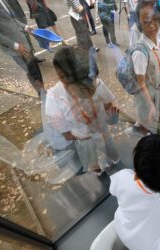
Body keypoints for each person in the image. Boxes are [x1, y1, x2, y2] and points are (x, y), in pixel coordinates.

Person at [45, 46, 121, 175]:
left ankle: (116, 162)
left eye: (92, 80)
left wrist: (112, 117)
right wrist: (88, 136)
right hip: (85, 141)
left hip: (104, 131)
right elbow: (66, 134)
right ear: (62, 77)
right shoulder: (54, 99)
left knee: (111, 151)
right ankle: (99, 172)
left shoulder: (95, 82)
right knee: (93, 161)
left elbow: (108, 104)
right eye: (85, 85)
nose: (92, 88)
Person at [0, 0, 45, 95]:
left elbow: (10, 19)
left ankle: (44, 94)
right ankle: (43, 97)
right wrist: (14, 45)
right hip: (14, 47)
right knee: (32, 72)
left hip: (22, 40)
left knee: (35, 69)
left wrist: (24, 27)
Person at [131, 0, 160, 134]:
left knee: (148, 120)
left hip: (155, 91)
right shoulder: (140, 52)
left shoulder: (157, 40)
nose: (151, 26)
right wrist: (151, 105)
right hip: (146, 98)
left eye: (155, 19)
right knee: (147, 123)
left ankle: (141, 126)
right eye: (146, 22)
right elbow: (141, 83)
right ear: (139, 24)